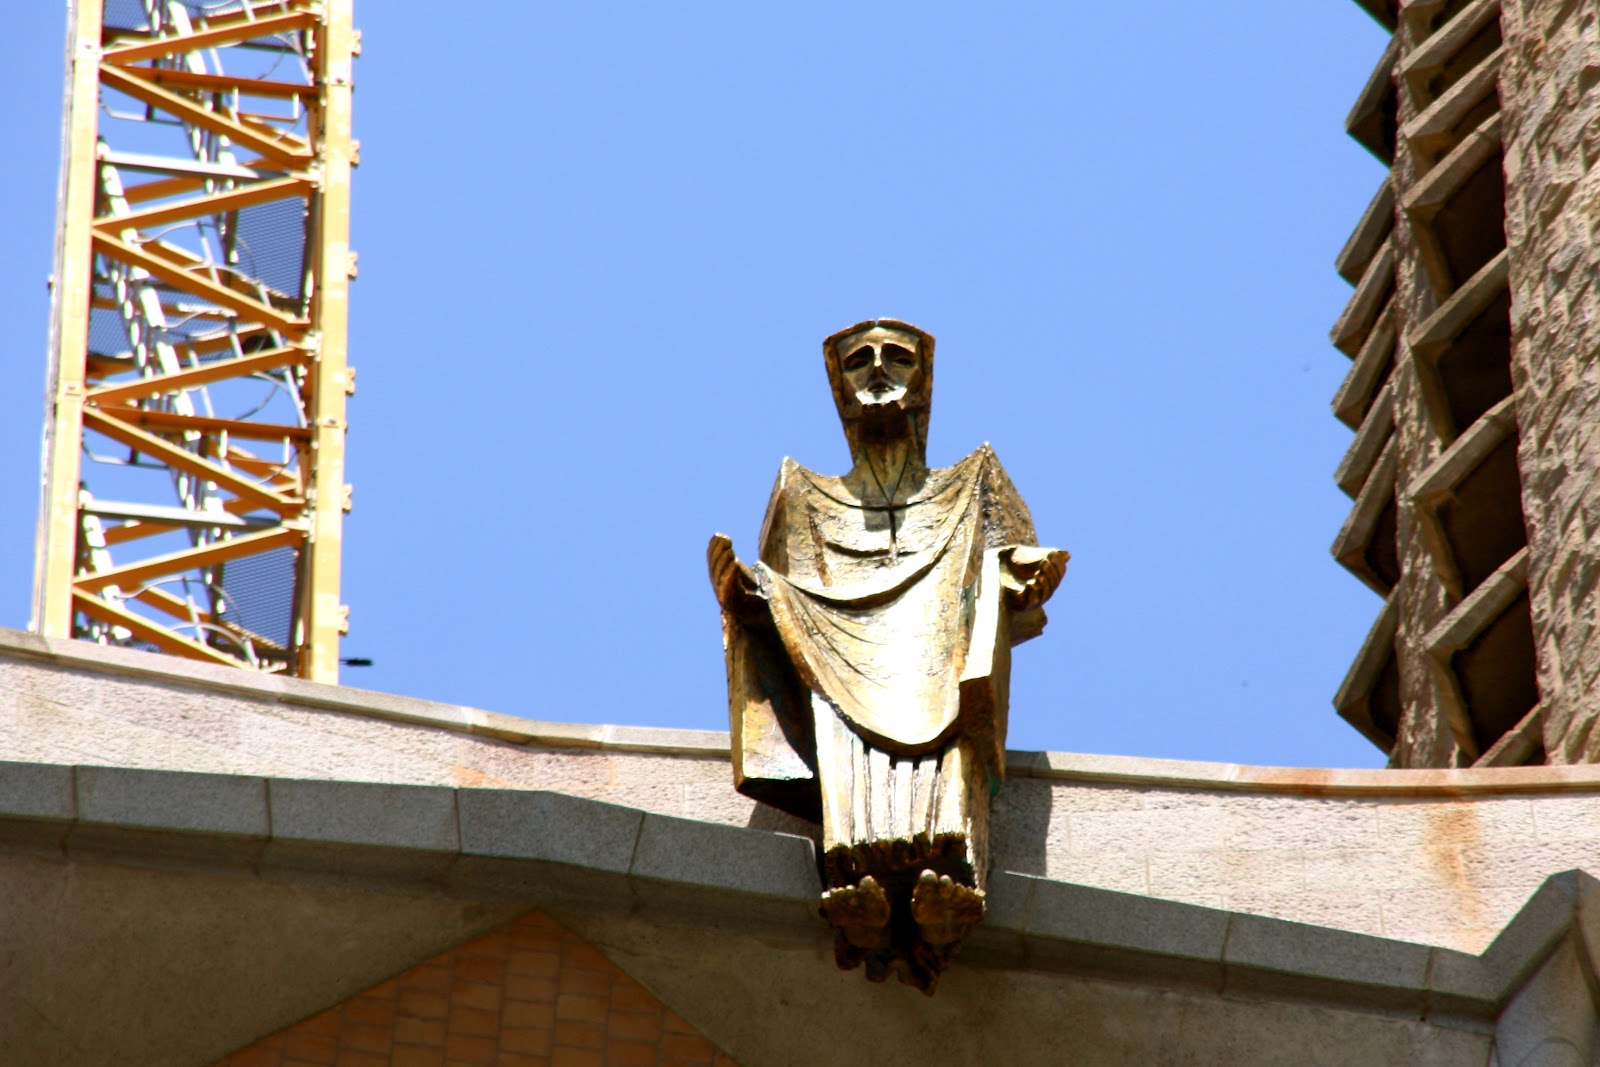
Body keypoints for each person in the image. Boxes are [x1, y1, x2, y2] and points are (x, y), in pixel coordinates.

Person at [708, 318, 1067, 992]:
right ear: (840, 389)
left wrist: (1027, 571)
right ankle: (861, 891)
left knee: (954, 709)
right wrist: (746, 599)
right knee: (847, 749)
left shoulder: (973, 482)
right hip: (842, 671)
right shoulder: (802, 494)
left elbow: (1010, 559)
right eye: (859, 361)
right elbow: (786, 608)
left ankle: (946, 893)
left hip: (938, 668)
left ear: (923, 381)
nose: (877, 369)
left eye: (896, 357)